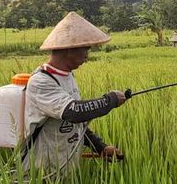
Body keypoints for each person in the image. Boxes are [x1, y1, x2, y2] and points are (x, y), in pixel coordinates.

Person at [22, 11, 127, 177]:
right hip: (40, 171)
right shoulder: (41, 81)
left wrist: (99, 147)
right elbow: (73, 112)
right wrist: (110, 100)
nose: (87, 57)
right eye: (85, 50)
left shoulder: (68, 76)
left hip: (63, 169)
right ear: (69, 49)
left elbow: (74, 125)